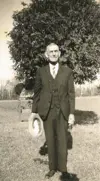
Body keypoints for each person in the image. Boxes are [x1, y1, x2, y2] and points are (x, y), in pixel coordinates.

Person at [30, 43, 75, 180]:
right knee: (50, 140)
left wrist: (72, 113)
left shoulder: (67, 71)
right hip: (47, 112)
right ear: (46, 54)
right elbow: (37, 93)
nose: (54, 54)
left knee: (62, 140)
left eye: (56, 51)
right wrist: (34, 112)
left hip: (62, 112)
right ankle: (52, 168)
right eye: (51, 51)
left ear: (59, 54)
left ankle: (63, 169)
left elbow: (71, 94)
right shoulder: (40, 71)